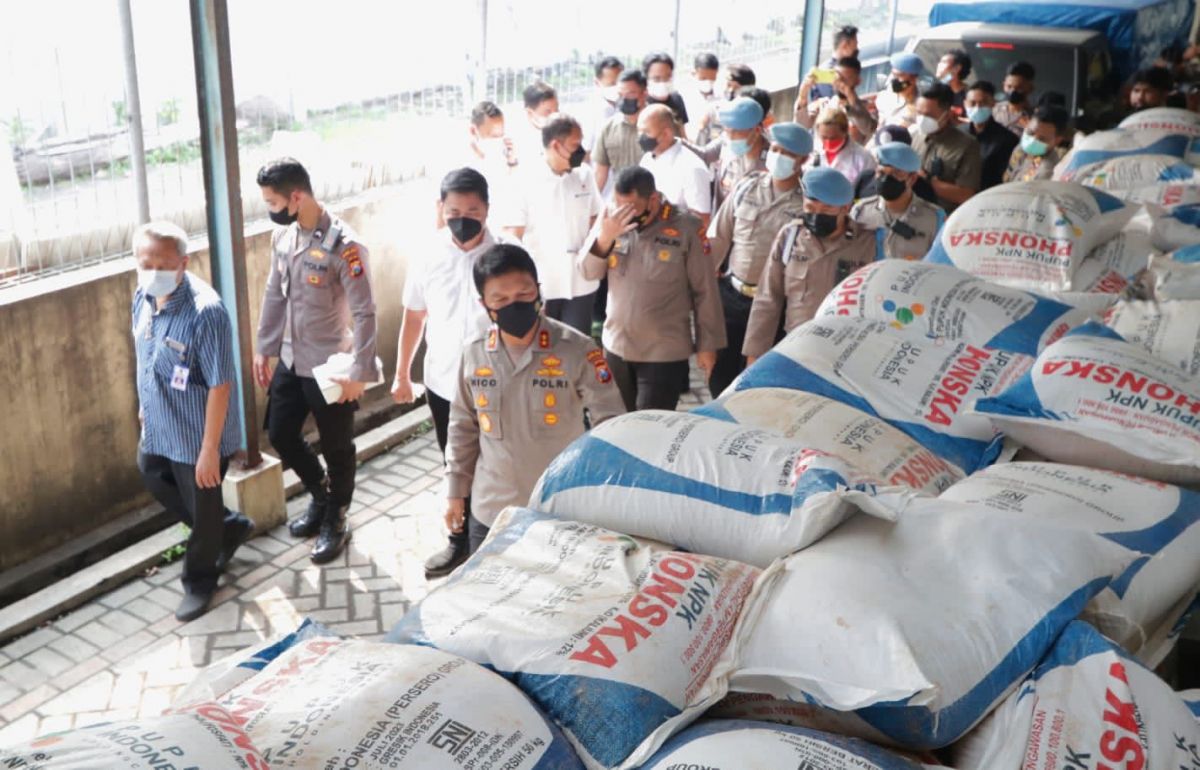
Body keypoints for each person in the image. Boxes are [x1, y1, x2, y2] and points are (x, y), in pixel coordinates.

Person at [444, 244, 625, 552]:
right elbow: (463, 425)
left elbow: (610, 423)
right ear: (485, 305)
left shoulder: (577, 349)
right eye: (501, 299)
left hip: (562, 510)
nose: (514, 305)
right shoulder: (473, 353)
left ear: (538, 291)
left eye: (524, 295)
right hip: (492, 512)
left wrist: (605, 494)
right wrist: (455, 491)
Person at [254, 158, 377, 565]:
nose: (270, 209)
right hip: (291, 358)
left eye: (273, 201)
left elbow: (365, 313)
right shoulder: (285, 239)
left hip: (331, 366)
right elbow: (275, 294)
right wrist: (265, 347)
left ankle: (337, 517)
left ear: (297, 196)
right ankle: (322, 494)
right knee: (280, 433)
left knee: (337, 446)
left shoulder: (345, 245)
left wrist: (361, 370)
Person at [132, 221, 253, 622]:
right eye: (143, 262)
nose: (152, 271)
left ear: (183, 263)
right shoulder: (142, 297)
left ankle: (200, 580)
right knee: (152, 475)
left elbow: (220, 385)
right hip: (159, 423)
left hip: (198, 434)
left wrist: (208, 450)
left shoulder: (207, 313)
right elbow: (144, 354)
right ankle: (227, 527)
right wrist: (144, 405)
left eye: (162, 263)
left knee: (202, 513)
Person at [393, 168, 495, 579]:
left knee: (497, 464)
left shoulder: (506, 253)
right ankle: (461, 543)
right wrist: (402, 373)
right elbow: (414, 316)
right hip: (442, 384)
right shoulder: (428, 253)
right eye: (453, 210)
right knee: (456, 463)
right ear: (441, 208)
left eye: (472, 209)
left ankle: (494, 541)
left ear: (487, 208)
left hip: (495, 384)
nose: (463, 218)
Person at [580, 166, 725, 411]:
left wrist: (707, 345)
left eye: (632, 209)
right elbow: (587, 272)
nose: (625, 215)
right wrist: (605, 238)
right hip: (617, 344)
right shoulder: (611, 221)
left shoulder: (686, 227)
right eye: (620, 206)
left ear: (653, 200)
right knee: (618, 422)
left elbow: (705, 290)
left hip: (663, 351)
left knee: (650, 428)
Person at [707, 123, 811, 397]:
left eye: (786, 152)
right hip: (732, 296)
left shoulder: (806, 205)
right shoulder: (746, 188)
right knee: (720, 378)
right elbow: (718, 238)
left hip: (774, 306)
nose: (777, 156)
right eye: (775, 149)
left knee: (760, 383)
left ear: (803, 160)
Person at [743, 167, 875, 363]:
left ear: (846, 208)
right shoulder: (790, 237)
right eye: (811, 208)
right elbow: (768, 298)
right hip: (797, 349)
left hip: (846, 352)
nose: (816, 216)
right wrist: (755, 354)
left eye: (827, 209)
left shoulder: (869, 243)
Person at [499, 114, 604, 337]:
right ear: (556, 145)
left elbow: (596, 219)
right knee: (543, 352)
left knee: (577, 346)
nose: (582, 151)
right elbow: (511, 234)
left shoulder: (584, 174)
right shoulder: (523, 179)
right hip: (542, 284)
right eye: (575, 145)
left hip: (581, 282)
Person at [851, 142, 945, 262]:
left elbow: (941, 262)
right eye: (882, 173)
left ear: (912, 179)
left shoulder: (934, 218)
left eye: (896, 174)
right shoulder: (860, 211)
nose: (886, 180)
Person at [638, 103, 713, 231]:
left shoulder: (692, 168)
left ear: (666, 134)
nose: (640, 137)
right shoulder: (647, 159)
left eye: (646, 132)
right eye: (639, 131)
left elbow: (702, 220)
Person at [913, 83, 982, 213]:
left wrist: (926, 180)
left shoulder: (967, 145)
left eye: (929, 116)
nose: (922, 120)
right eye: (919, 113)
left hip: (943, 217)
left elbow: (966, 195)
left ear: (947, 114)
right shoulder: (915, 135)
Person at [796, 56, 876, 143]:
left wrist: (849, 94)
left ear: (858, 81)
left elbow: (867, 128)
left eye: (846, 79)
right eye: (838, 78)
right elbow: (801, 125)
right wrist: (803, 94)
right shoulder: (824, 104)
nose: (840, 83)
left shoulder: (867, 108)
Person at [594, 69, 648, 196]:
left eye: (630, 94)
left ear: (644, 93)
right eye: (620, 94)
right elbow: (600, 173)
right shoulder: (607, 128)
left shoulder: (660, 124)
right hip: (621, 200)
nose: (624, 99)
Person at [713, 96, 769, 210]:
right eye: (727, 131)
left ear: (757, 131)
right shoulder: (728, 148)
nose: (730, 138)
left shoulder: (773, 162)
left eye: (736, 132)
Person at [962, 81, 1019, 191]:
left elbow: (1005, 179)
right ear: (965, 103)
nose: (977, 108)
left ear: (993, 103)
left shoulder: (1008, 140)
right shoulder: (958, 132)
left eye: (983, 103)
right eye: (972, 103)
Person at [807, 106, 876, 185]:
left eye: (833, 138)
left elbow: (870, 190)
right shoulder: (812, 152)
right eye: (824, 137)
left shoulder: (863, 158)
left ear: (845, 131)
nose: (828, 142)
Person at [1003, 104, 1070, 183]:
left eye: (1042, 139)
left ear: (1057, 141)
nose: (1032, 141)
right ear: (1027, 124)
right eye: (1030, 133)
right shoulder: (1020, 149)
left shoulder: (1049, 171)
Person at [583, 56, 625, 156]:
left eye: (620, 82)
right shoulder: (589, 111)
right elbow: (584, 149)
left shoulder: (630, 104)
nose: (617, 88)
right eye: (612, 84)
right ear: (597, 82)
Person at [874, 52, 924, 132]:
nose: (893, 80)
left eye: (899, 76)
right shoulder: (888, 94)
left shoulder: (921, 105)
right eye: (893, 75)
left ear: (913, 80)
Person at [515, 82, 560, 164]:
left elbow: (581, 161)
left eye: (557, 110)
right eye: (548, 112)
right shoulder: (517, 138)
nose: (555, 116)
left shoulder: (564, 128)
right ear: (530, 112)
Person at [642, 52, 690, 127]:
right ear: (646, 78)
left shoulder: (677, 99)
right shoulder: (642, 103)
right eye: (657, 79)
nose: (663, 83)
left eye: (667, 77)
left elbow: (682, 132)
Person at [684, 52, 721, 143]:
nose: (708, 82)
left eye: (712, 79)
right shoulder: (685, 96)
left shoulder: (721, 96)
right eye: (703, 79)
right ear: (694, 73)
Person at [993, 61, 1036, 136]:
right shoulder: (994, 109)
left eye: (1019, 88)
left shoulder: (1035, 118)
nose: (1013, 92)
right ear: (1004, 85)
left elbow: (1038, 147)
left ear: (1030, 88)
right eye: (1009, 87)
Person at [937, 49, 972, 115]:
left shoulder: (969, 95)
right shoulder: (936, 91)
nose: (939, 65)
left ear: (957, 68)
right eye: (940, 62)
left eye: (944, 62)